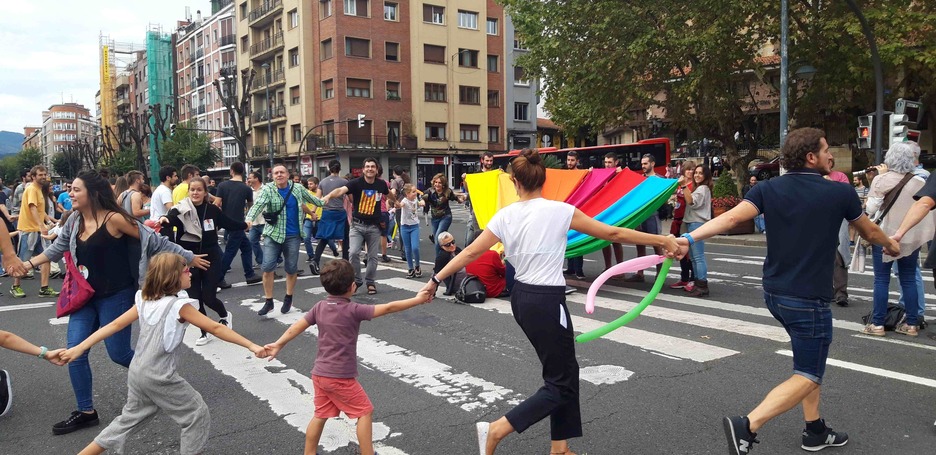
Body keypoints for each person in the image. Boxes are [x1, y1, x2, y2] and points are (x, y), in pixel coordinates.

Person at [421, 148, 680, 455]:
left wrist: (435, 280)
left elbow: (469, 253)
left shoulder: (505, 215)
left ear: (515, 182)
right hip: (546, 301)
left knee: (564, 372)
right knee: (562, 383)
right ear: (544, 179)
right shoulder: (561, 211)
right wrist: (661, 239)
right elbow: (612, 232)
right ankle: (497, 429)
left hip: (522, 299)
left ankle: (560, 447)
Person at [671, 128, 898, 454]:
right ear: (811, 157)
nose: (829, 155)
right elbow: (871, 232)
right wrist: (890, 243)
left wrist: (688, 239)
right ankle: (747, 425)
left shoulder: (767, 188)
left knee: (807, 359)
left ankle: (815, 430)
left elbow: (733, 218)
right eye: (824, 150)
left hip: (776, 293)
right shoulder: (840, 193)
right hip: (809, 299)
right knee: (808, 373)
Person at [30, 170, 209, 436]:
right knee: (75, 351)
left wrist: (188, 256)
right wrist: (27, 264)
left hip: (116, 294)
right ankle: (86, 411)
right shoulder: (75, 220)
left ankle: (162, 381)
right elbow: (59, 248)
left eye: (76, 190)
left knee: (118, 353)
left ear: (92, 193)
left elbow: (154, 241)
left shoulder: (115, 220)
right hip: (85, 295)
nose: (70, 193)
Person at [59, 253, 268, 455]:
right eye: (186, 270)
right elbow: (216, 328)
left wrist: (80, 347)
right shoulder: (179, 306)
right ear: (173, 276)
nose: (191, 274)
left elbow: (114, 324)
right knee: (196, 414)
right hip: (158, 374)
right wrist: (252, 345)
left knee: (128, 420)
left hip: (137, 371)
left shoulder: (144, 299)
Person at [263, 259, 430, 455]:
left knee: (320, 415)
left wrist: (279, 344)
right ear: (352, 287)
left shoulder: (319, 307)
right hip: (339, 376)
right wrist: (418, 299)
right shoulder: (354, 310)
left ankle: (309, 453)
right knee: (364, 412)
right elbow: (389, 307)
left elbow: (297, 326)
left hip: (320, 373)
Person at [159, 178, 247, 345]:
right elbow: (171, 218)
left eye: (199, 190)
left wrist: (245, 225)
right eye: (192, 190)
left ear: (205, 192)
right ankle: (204, 332)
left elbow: (228, 223)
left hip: (211, 257)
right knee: (195, 298)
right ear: (188, 191)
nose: (195, 193)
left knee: (208, 296)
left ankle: (224, 315)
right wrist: (165, 219)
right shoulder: (181, 209)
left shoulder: (212, 210)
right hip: (189, 259)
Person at [860, 142, 932, 337]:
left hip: (883, 236)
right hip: (908, 236)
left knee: (881, 279)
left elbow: (872, 209)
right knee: (908, 278)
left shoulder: (881, 180)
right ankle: (911, 324)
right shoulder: (919, 182)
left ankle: (877, 324)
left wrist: (872, 180)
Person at [246, 164, 322, 315]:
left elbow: (312, 201)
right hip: (273, 234)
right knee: (267, 267)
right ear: (272, 176)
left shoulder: (298, 188)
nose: (279, 175)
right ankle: (269, 301)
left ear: (287, 175)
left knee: (291, 268)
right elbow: (257, 206)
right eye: (276, 173)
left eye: (282, 172)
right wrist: (248, 220)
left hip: (293, 235)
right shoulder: (268, 189)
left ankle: (288, 297)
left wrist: (331, 197)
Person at [321, 158, 390, 295]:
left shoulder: (381, 184)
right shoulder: (355, 183)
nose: (370, 169)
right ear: (363, 170)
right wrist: (328, 196)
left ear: (376, 170)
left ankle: (370, 281)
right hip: (357, 225)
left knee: (372, 256)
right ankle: (357, 280)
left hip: (374, 227)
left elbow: (389, 194)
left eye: (372, 167)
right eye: (367, 167)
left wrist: (396, 202)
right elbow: (340, 191)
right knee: (353, 253)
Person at [11, 165, 57, 298]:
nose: (43, 177)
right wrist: (41, 225)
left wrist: (49, 222)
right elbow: (32, 208)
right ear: (33, 177)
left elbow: (41, 211)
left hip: (38, 230)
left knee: (46, 258)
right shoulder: (31, 189)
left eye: (44, 174)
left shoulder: (39, 189)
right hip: (29, 230)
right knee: (22, 260)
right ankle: (15, 286)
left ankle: (44, 287)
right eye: (40, 175)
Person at [215, 162, 261, 288]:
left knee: (246, 247)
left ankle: (250, 274)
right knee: (230, 251)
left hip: (226, 221)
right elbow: (251, 207)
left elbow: (216, 204)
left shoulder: (222, 185)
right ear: (243, 172)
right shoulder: (246, 188)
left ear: (231, 171)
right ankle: (219, 277)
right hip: (239, 222)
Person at [624, 154, 665, 282]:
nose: (643, 166)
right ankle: (640, 273)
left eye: (645, 164)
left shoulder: (660, 179)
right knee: (639, 244)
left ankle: (660, 274)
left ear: (652, 164)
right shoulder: (640, 179)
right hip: (641, 216)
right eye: (642, 164)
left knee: (657, 244)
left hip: (653, 215)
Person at [311, 160, 349, 273]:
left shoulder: (323, 182)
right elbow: (351, 199)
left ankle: (315, 260)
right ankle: (346, 262)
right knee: (345, 238)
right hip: (340, 212)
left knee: (324, 238)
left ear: (329, 168)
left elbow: (317, 200)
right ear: (340, 169)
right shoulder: (345, 181)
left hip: (326, 212)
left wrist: (312, 212)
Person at [682, 165, 713, 297]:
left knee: (698, 256)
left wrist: (683, 186)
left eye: (700, 173)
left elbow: (691, 201)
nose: (697, 175)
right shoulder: (699, 188)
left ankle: (702, 285)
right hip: (693, 223)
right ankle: (697, 283)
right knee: (694, 257)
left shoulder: (703, 188)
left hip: (696, 224)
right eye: (696, 173)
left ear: (706, 176)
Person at [423, 173, 465, 256]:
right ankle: (447, 256)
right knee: (439, 240)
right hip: (434, 218)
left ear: (443, 184)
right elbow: (423, 198)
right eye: (436, 182)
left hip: (446, 216)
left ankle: (438, 261)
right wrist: (422, 202)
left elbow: (455, 197)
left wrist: (461, 200)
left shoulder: (447, 191)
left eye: (439, 183)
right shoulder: (430, 191)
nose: (437, 184)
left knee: (438, 237)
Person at [669, 160, 696, 290]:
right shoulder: (681, 184)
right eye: (688, 169)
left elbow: (690, 201)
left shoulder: (693, 186)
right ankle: (684, 277)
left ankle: (692, 278)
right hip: (677, 220)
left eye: (692, 169)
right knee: (679, 250)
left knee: (689, 252)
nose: (690, 172)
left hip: (686, 220)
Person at [599, 153, 625, 270]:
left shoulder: (621, 174)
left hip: (617, 212)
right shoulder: (603, 175)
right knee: (604, 240)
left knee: (616, 240)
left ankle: (619, 270)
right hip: (605, 211)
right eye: (606, 162)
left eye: (610, 162)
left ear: (616, 162)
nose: (607, 165)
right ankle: (607, 267)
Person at [563, 151, 586, 279]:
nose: (569, 162)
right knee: (567, 237)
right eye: (568, 160)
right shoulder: (565, 174)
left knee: (578, 236)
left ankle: (579, 269)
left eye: (572, 160)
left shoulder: (581, 174)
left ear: (577, 161)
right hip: (566, 209)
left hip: (578, 209)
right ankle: (571, 268)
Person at [396, 183, 424, 278]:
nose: (415, 193)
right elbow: (401, 205)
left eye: (415, 191)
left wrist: (422, 202)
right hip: (405, 227)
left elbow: (420, 203)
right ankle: (410, 268)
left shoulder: (416, 199)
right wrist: (397, 205)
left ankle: (417, 266)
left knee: (415, 247)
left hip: (414, 226)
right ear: (407, 194)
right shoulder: (405, 200)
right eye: (413, 192)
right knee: (407, 249)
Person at [433, 231, 465, 296]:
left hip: (467, 281)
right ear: (442, 246)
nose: (452, 245)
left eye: (453, 242)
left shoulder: (457, 250)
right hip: (457, 286)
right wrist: (432, 292)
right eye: (448, 245)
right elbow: (436, 274)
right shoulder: (442, 256)